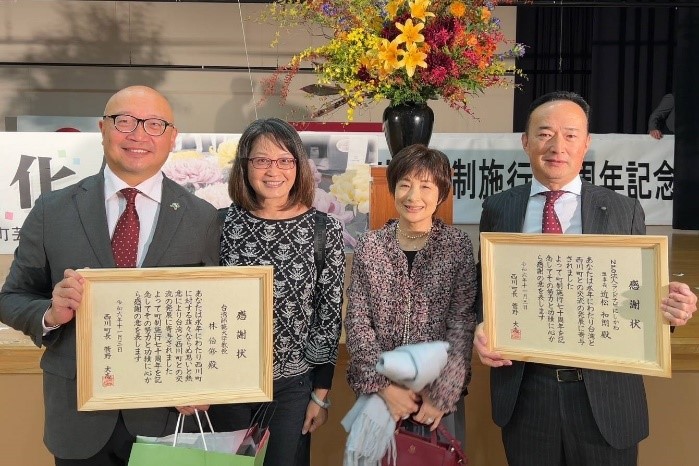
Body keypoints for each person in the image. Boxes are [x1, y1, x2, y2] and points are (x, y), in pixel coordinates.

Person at [474, 91, 698, 466]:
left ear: (587, 143)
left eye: (571, 134)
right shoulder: (500, 208)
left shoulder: (623, 210)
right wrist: (482, 326)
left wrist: (669, 308)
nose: (557, 145)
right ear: (526, 142)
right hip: (527, 397)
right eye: (544, 133)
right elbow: (487, 292)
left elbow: (638, 292)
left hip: (606, 397)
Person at [0, 85, 221, 465]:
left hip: (166, 416)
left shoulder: (201, 218)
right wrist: (50, 314)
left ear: (172, 137)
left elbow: (213, 313)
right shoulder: (53, 210)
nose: (138, 135)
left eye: (154, 124)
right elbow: (12, 297)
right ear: (102, 129)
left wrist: (206, 380)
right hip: (79, 416)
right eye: (125, 122)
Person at [212, 118, 345, 466]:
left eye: (285, 160)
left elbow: (328, 315)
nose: (274, 170)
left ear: (299, 166)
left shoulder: (323, 228)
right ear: (245, 166)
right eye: (261, 160)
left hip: (291, 387)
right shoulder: (220, 224)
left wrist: (321, 395)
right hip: (227, 384)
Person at [345, 144, 477, 436]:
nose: (413, 196)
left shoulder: (457, 247)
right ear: (392, 190)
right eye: (405, 185)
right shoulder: (371, 245)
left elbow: (462, 323)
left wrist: (441, 394)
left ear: (441, 194)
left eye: (426, 186)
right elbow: (357, 321)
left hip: (435, 403)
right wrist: (383, 387)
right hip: (378, 398)